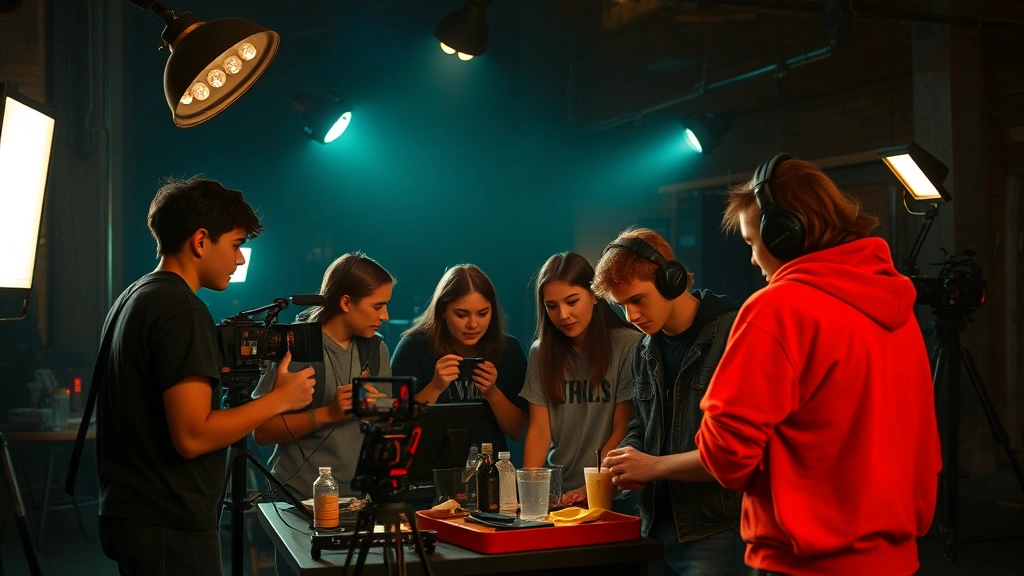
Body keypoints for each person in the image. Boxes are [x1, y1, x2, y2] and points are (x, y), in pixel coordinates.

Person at [694, 153, 941, 575]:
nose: (753, 259)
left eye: (752, 242)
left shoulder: (778, 308)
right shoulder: (897, 308)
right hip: (895, 560)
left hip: (801, 563)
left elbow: (725, 455)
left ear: (784, 234)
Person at [95, 177, 316, 576]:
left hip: (130, 513)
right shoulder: (182, 308)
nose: (240, 259)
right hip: (169, 520)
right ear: (200, 240)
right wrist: (279, 399)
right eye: (236, 245)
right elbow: (192, 436)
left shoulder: (133, 297)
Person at [593, 227, 745, 576]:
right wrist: (627, 457)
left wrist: (653, 466)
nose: (631, 316)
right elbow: (641, 425)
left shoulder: (734, 335)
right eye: (622, 306)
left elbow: (735, 452)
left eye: (637, 300)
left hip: (716, 532)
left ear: (671, 280)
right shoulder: (643, 350)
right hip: (654, 530)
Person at [252, 252, 394, 499]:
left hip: (358, 498)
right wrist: (328, 413)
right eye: (377, 306)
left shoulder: (377, 349)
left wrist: (378, 409)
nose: (385, 316)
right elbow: (263, 432)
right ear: (346, 302)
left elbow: (387, 420)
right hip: (298, 496)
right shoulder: (297, 347)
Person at [520, 252, 640, 512]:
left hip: (616, 492)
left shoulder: (628, 344)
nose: (563, 315)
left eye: (572, 301)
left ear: (595, 294)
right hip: (561, 495)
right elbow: (540, 431)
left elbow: (623, 429)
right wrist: (527, 497)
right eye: (551, 306)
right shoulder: (541, 352)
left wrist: (593, 486)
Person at [391, 264, 528, 453]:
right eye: (461, 315)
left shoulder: (508, 350)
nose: (473, 324)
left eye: (483, 313)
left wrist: (493, 393)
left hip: (488, 466)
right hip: (428, 466)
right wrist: (435, 387)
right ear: (442, 311)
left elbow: (520, 432)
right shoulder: (413, 347)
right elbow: (397, 425)